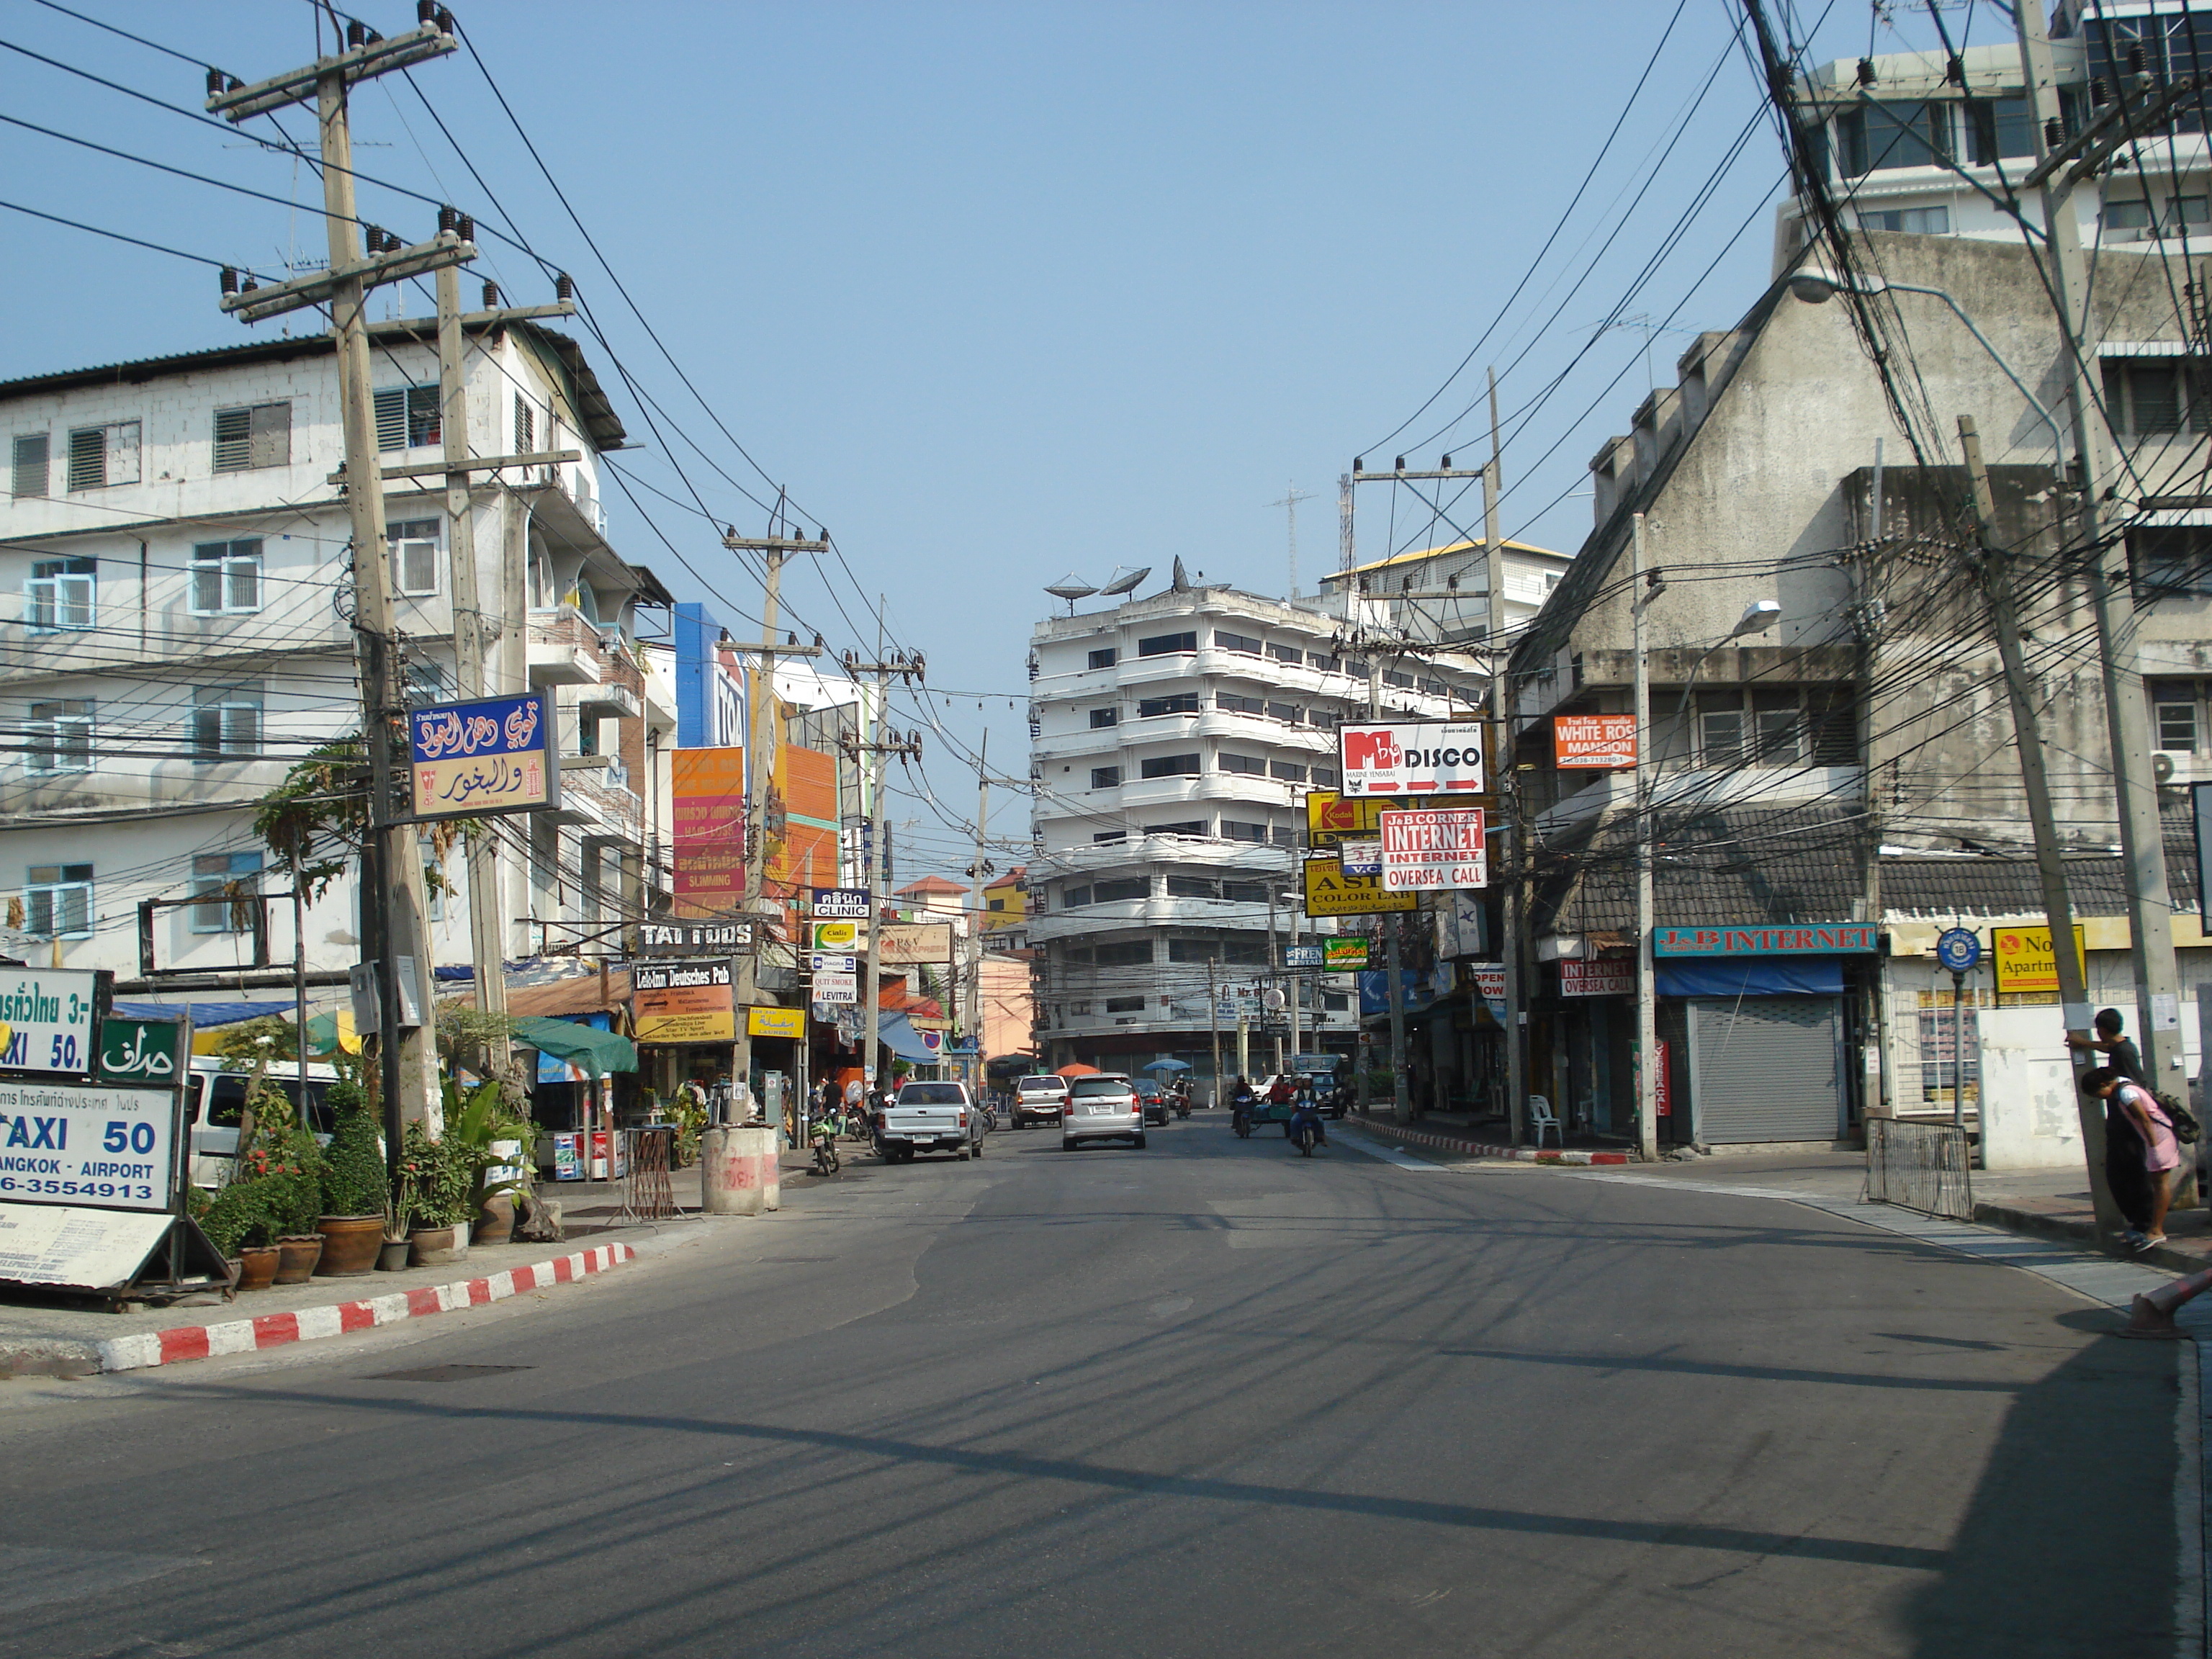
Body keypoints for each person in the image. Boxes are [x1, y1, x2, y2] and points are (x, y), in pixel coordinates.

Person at [2070, 1010, 2153, 1238]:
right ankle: (2139, 1221)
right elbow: (2109, 1048)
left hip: (2128, 1126)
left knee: (2131, 1175)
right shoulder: (2121, 1048)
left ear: (2102, 1030)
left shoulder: (2125, 1054)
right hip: (2121, 1124)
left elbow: (2138, 1086)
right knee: (2119, 1174)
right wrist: (2084, 1043)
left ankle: (2143, 1223)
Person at [2081, 1065, 2179, 1251]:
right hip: (2157, 1139)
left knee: (2160, 1185)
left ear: (2104, 1084)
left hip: (2159, 1140)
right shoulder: (2126, 1084)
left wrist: (2153, 1147)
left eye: (2098, 1093)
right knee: (2158, 1184)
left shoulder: (2126, 1094)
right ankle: (2154, 1228)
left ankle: (2157, 1231)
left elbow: (2145, 1120)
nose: (2100, 1097)